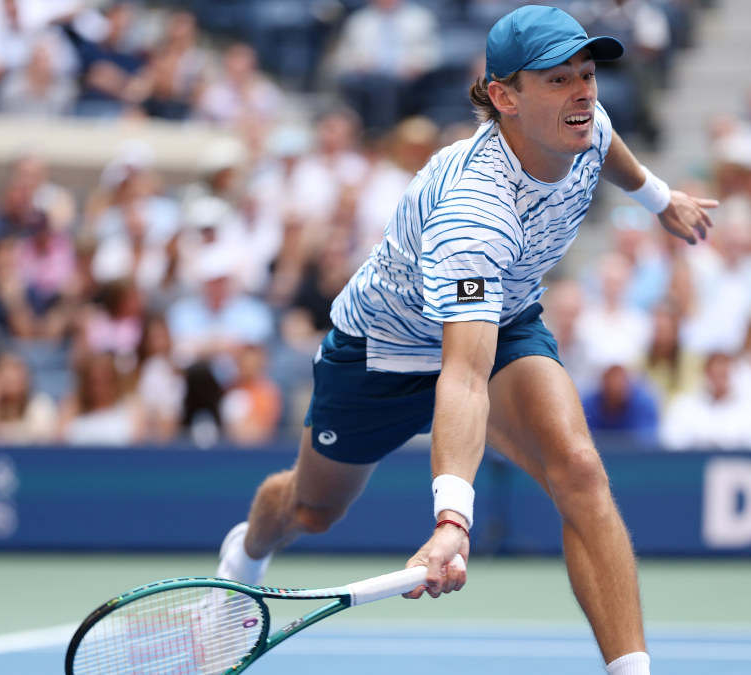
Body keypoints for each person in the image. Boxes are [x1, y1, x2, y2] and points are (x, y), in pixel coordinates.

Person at [213, 8, 715, 675]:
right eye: (559, 78)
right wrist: (453, 520)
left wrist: (660, 199)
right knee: (311, 507)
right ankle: (242, 555)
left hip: (501, 321)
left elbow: (612, 150)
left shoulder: (584, 126)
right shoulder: (475, 214)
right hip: (383, 351)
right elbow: (462, 377)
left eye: (588, 74)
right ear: (504, 97)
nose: (584, 91)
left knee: (580, 469)